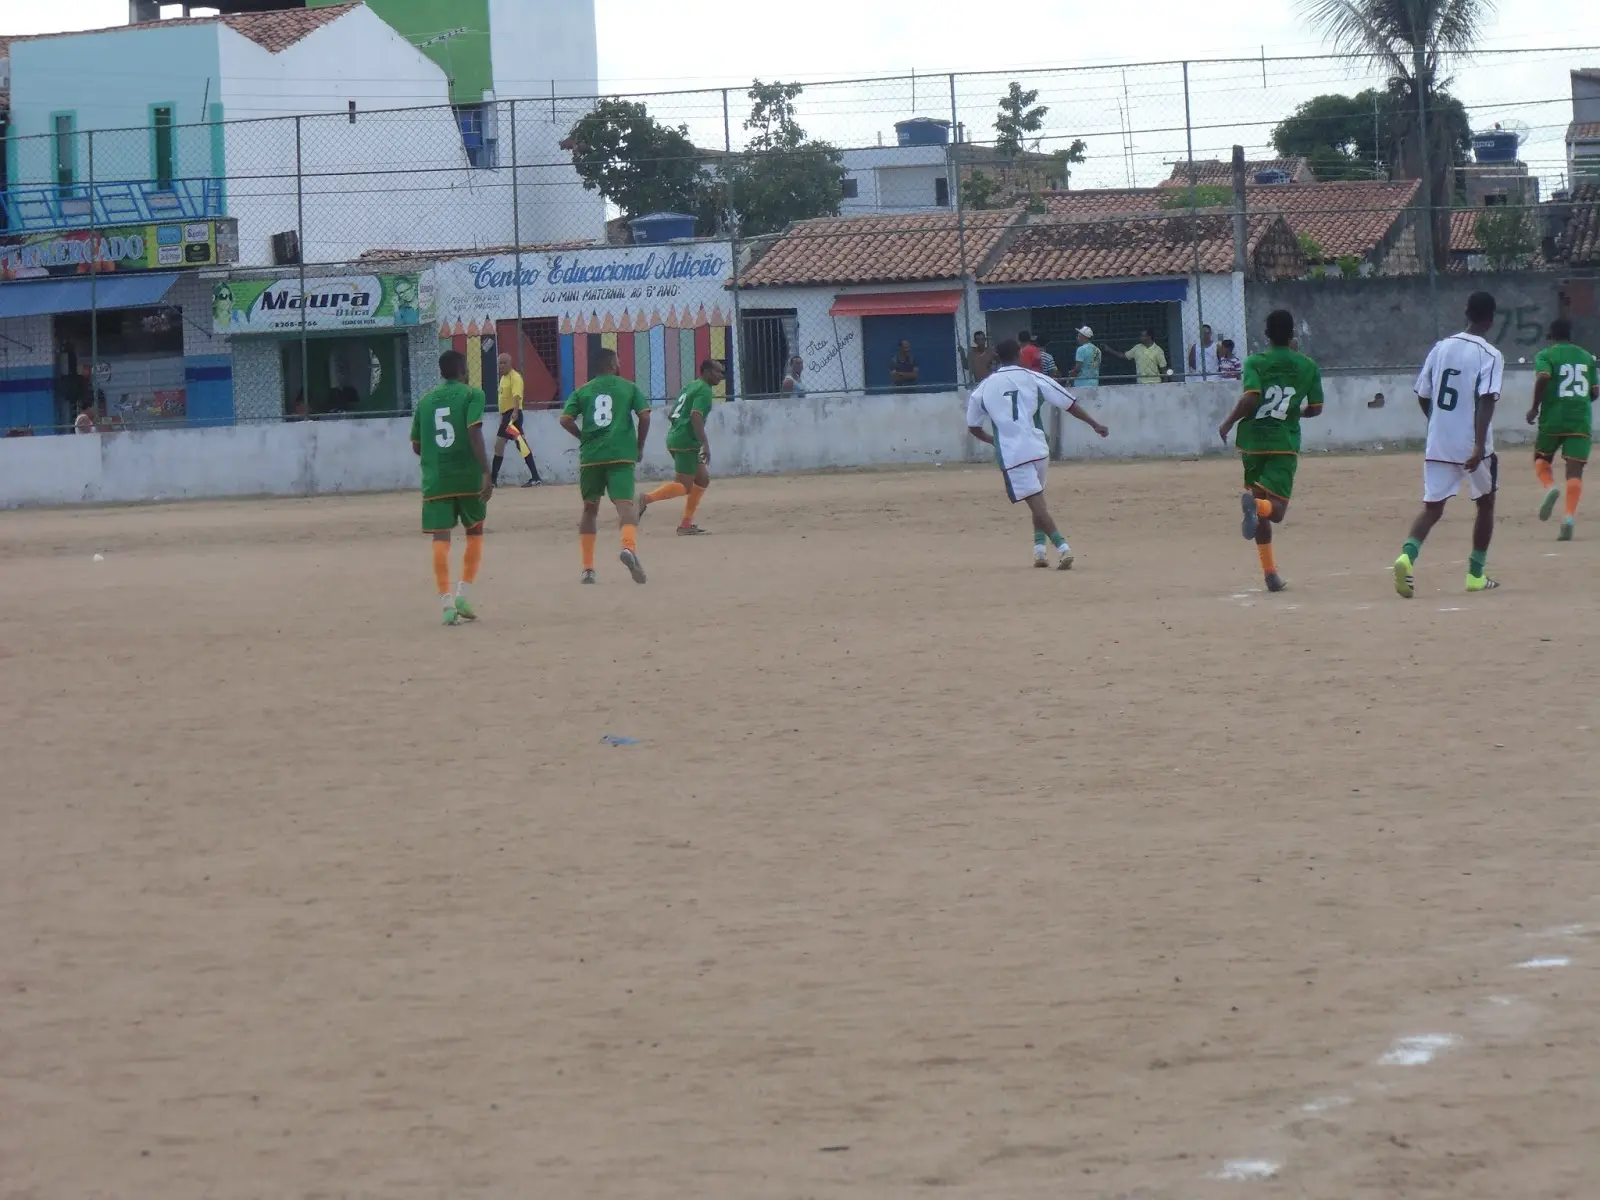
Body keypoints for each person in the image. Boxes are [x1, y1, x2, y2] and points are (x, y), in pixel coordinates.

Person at [1394, 291, 1505, 599]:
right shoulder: (1491, 354)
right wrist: (1478, 446)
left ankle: (1406, 557)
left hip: (1439, 441)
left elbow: (1423, 393)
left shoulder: (1441, 347)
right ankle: (1475, 574)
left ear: (1466, 312)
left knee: (1432, 508)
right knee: (1485, 503)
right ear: (1491, 318)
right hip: (1472, 444)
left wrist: (1437, 424)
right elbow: (1486, 400)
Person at [964, 338, 1110, 570]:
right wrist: (1094, 424)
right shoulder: (1034, 377)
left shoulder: (983, 388)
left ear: (997, 358)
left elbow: (973, 426)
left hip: (1013, 454)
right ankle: (1039, 551)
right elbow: (1068, 403)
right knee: (1037, 501)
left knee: (1036, 505)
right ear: (1020, 355)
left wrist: (994, 441)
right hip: (1038, 448)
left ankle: (1063, 548)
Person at [1217, 309, 1323, 594]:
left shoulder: (1255, 362)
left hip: (1252, 442)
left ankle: (1270, 574)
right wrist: (1296, 412)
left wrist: (1228, 422)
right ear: (1292, 335)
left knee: (1261, 510)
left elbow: (1251, 396)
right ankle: (1257, 507)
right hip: (1282, 444)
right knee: (1274, 512)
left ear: (1266, 335)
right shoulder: (1308, 366)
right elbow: (1316, 408)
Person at [409, 350, 494, 626]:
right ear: (463, 371)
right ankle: (463, 594)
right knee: (475, 531)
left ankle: (446, 605)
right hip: (468, 477)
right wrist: (485, 470)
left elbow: (417, 446)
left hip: (437, 480)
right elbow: (473, 430)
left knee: (440, 539)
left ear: (441, 372)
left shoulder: (424, 402)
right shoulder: (472, 395)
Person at [560, 347, 651, 585]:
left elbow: (565, 419)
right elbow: (645, 415)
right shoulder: (629, 387)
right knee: (626, 506)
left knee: (590, 509)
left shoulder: (583, 390)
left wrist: (583, 437)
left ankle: (588, 569)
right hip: (620, 453)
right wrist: (639, 445)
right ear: (612, 365)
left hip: (591, 457)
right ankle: (628, 547)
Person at [1527, 318, 1597, 541]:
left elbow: (1544, 377)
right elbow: (1595, 391)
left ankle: (1549, 488)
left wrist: (1534, 407)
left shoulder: (1545, 355)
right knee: (1575, 472)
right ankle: (1568, 517)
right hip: (1580, 419)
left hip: (1553, 417)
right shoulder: (1587, 357)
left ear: (1551, 336)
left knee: (1541, 458)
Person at [640, 359, 723, 535]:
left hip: (677, 437)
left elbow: (672, 414)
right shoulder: (705, 391)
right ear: (706, 372)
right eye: (718, 372)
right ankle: (644, 499)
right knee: (684, 486)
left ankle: (686, 525)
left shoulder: (691, 386)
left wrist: (681, 429)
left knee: (702, 480)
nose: (721, 376)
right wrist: (705, 444)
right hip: (685, 441)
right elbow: (696, 416)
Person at [492, 352, 542, 487]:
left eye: (504, 363)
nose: (501, 366)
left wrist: (514, 413)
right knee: (518, 444)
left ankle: (492, 480)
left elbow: (517, 396)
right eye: (500, 363)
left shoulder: (515, 377)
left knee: (501, 445)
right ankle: (535, 476)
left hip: (512, 416)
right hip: (507, 416)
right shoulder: (503, 378)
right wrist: (502, 416)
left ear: (510, 363)